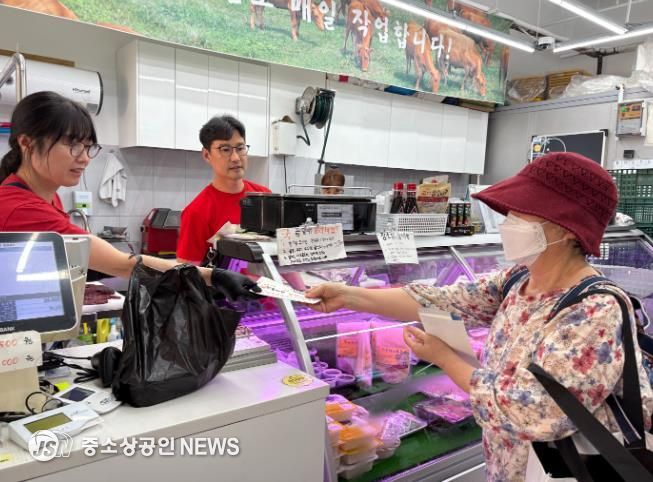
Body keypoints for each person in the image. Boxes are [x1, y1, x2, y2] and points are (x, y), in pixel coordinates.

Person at [307, 152, 653, 481]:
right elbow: (441, 301)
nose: (508, 222)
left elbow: (535, 411)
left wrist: (445, 358)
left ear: (565, 228)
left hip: (569, 470)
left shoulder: (595, 310)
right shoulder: (519, 279)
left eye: (521, 213)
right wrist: (349, 296)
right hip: (508, 467)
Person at [0, 91, 258, 301]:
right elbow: (123, 264)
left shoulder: (48, 198)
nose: (85, 158)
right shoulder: (19, 207)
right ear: (27, 143)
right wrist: (214, 277)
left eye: (88, 147)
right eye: (73, 145)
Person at [176, 115, 270, 265]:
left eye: (240, 148)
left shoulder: (265, 198)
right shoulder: (197, 212)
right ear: (207, 155)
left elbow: (279, 256)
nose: (235, 158)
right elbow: (187, 272)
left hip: (266, 279)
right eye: (225, 149)